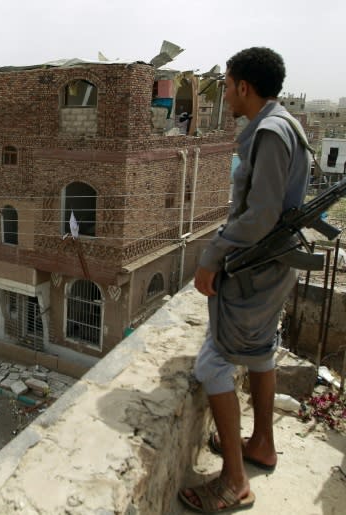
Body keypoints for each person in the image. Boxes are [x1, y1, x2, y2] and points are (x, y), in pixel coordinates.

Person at [179, 47, 311, 513]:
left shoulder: (270, 133)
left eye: (228, 84)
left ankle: (235, 482)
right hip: (268, 268)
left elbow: (260, 215)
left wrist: (212, 256)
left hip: (256, 269)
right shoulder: (284, 124)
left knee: (213, 364)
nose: (226, 94)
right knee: (258, 353)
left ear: (243, 87)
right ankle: (261, 445)